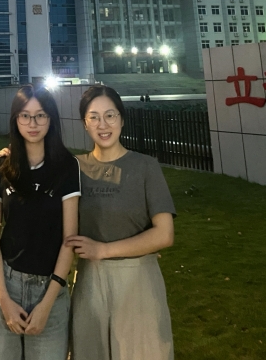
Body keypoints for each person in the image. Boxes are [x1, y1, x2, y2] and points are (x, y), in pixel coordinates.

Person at [65, 85, 176, 360]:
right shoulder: (72, 169)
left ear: (122, 119)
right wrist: (11, 155)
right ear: (85, 123)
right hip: (90, 282)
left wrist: (103, 250)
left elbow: (164, 234)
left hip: (138, 281)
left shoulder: (145, 166)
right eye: (94, 117)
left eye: (110, 115)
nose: (103, 124)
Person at [0, 84, 81, 360]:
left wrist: (47, 304)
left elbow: (69, 239)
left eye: (40, 115)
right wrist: (3, 300)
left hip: (50, 288)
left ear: (51, 119)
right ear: (15, 120)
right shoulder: (1, 165)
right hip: (5, 284)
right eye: (25, 116)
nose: (32, 123)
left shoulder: (67, 167)